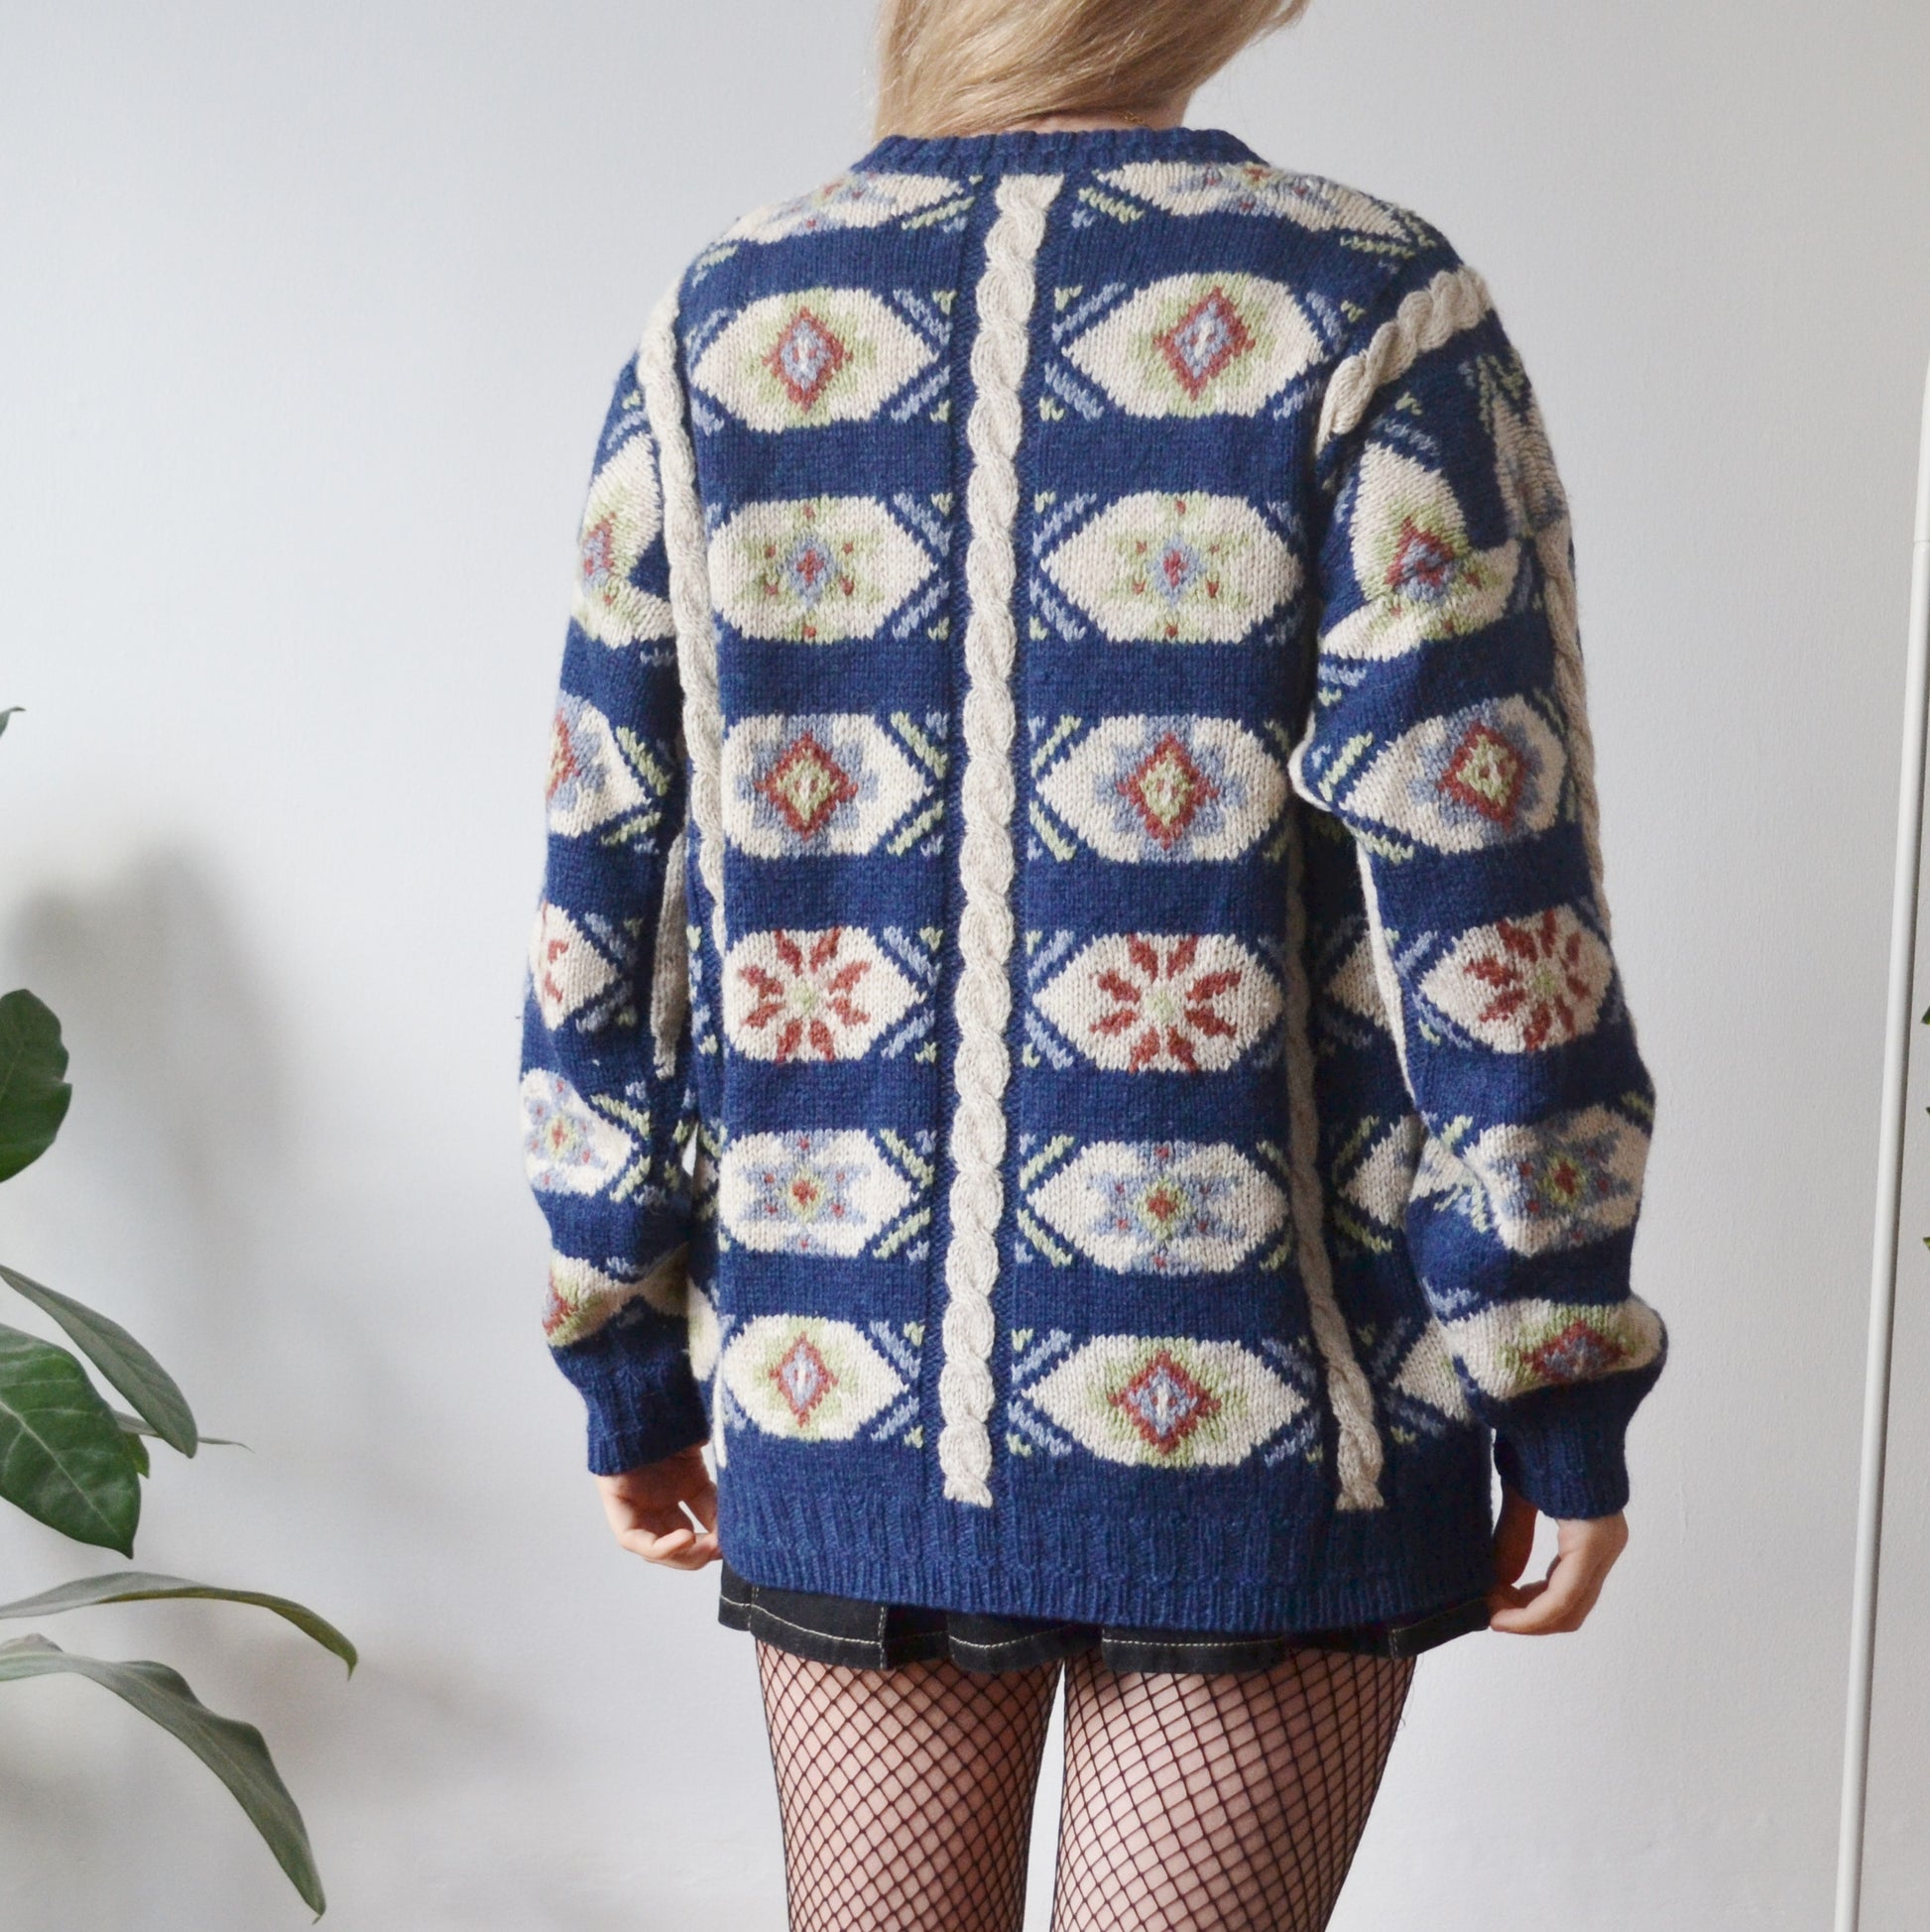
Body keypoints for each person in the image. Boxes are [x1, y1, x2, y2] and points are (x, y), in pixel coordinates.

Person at [519, 1, 1667, 1924]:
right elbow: (1495, 902)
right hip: (1268, 1403)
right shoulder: (1364, 307)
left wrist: (618, 1323)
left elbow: (602, 888)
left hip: (840, 1375)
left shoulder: (719, 327)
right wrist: (1555, 1360)